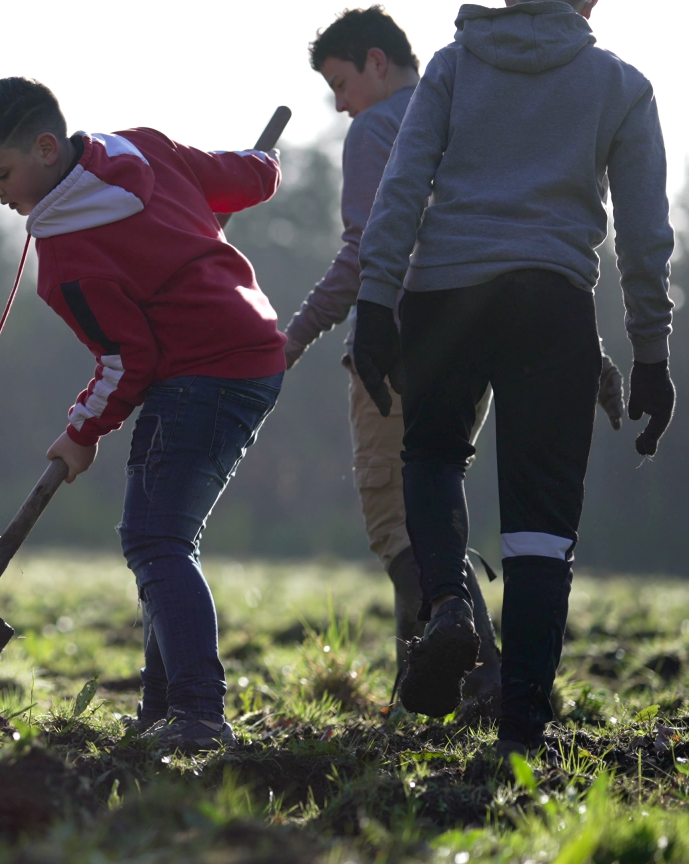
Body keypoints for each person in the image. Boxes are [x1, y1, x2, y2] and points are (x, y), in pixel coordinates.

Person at [354, 0, 674, 754]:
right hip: (551, 302)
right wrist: (651, 353)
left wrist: (374, 299)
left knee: (431, 457)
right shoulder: (620, 85)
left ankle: (447, 609)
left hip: (445, 297)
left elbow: (403, 185)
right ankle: (523, 731)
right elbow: (644, 232)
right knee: (541, 523)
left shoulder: (453, 66)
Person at [0, 78, 287, 752]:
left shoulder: (68, 262)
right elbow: (247, 180)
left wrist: (82, 433)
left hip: (204, 372)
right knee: (157, 537)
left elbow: (125, 361)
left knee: (156, 540)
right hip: (250, 356)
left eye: (1, 173)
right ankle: (161, 709)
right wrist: (266, 168)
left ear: (46, 149)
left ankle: (197, 714)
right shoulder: (142, 148)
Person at [284, 6, 525, 709]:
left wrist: (293, 336)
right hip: (472, 338)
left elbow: (364, 253)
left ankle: (480, 683)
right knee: (429, 506)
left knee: (395, 518)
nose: (339, 103)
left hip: (397, 343)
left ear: (376, 63)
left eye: (340, 82)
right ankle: (423, 687)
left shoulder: (377, 129)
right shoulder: (465, 116)